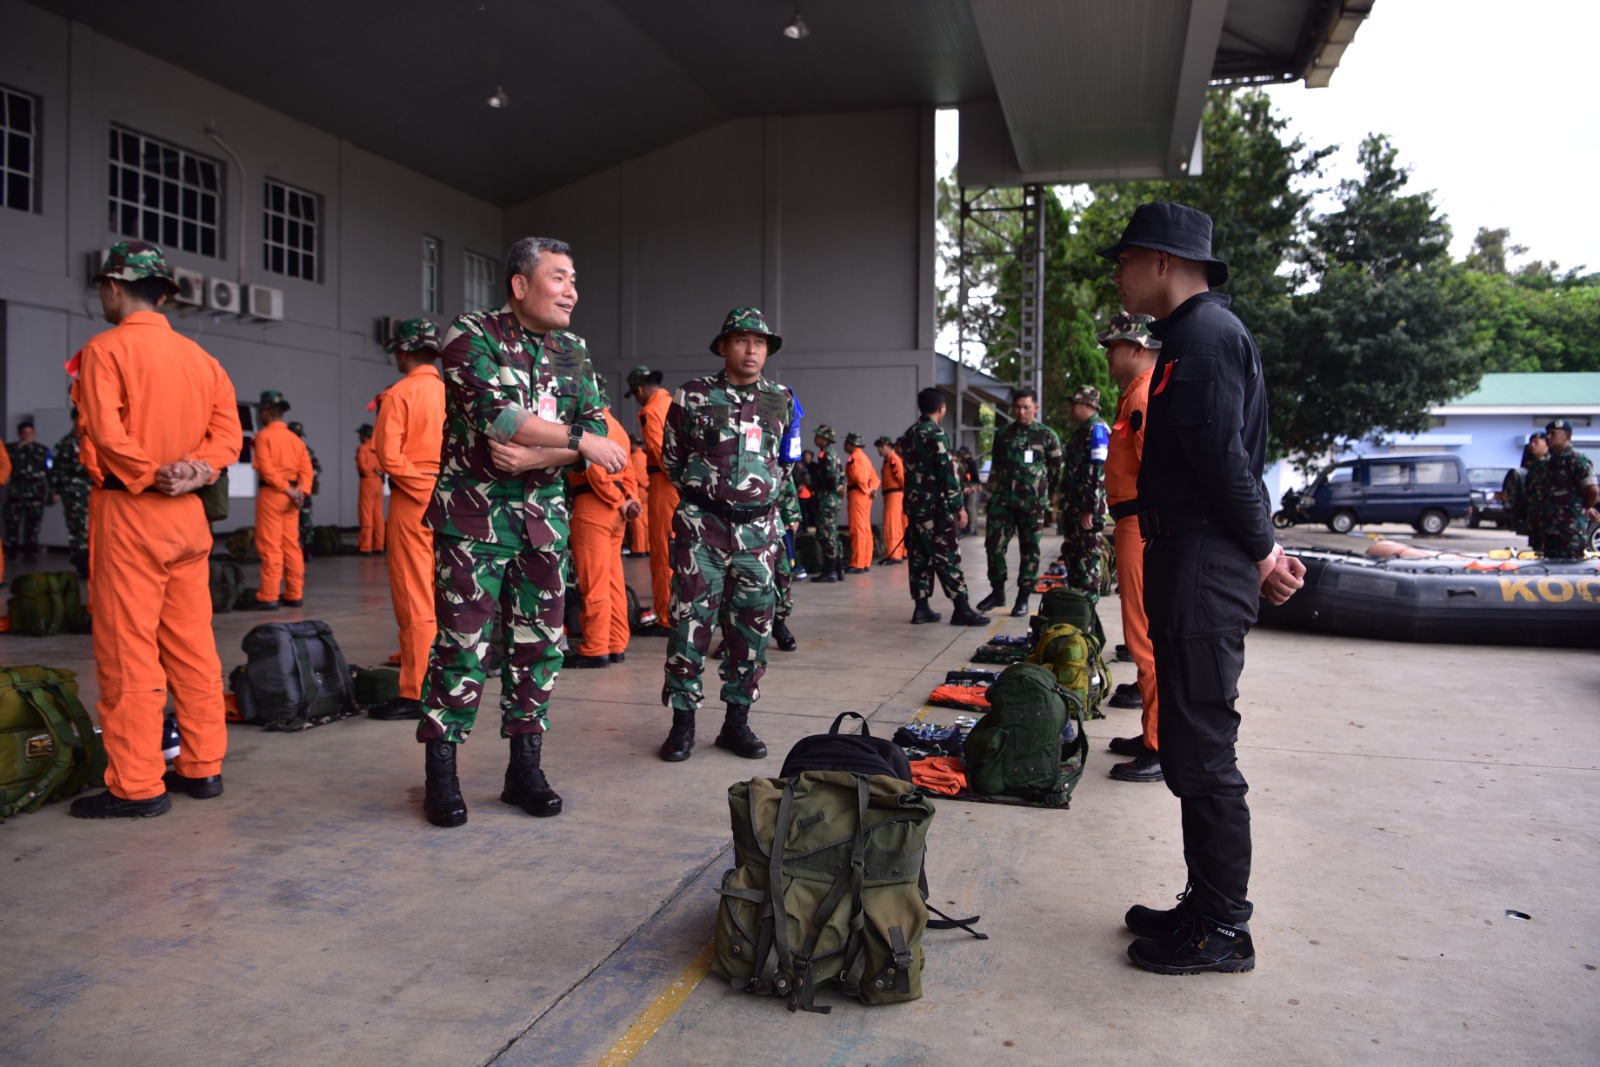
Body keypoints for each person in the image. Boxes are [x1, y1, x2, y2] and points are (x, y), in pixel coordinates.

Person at [1100, 201, 1304, 974]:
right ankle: (1204, 900)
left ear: (1161, 260)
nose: (1120, 276)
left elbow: (1225, 462)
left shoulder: (1206, 339)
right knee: (1187, 742)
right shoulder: (1188, 339)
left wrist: (1262, 551)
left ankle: (1224, 926)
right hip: (1188, 556)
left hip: (1205, 563)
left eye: (1125, 261)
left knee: (1206, 748)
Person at [414, 237, 626, 827]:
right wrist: (578, 444)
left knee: (540, 648)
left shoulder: (573, 349)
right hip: (474, 521)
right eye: (560, 278)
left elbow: (588, 423)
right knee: (461, 647)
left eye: (574, 280)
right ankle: (442, 775)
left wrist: (540, 458)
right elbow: (495, 418)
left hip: (543, 524)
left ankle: (523, 771)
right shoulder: (469, 334)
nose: (572, 292)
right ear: (520, 284)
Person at [68, 240, 243, 817]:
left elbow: (105, 433)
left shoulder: (104, 351)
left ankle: (137, 784)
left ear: (113, 286)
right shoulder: (202, 359)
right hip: (189, 519)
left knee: (129, 650)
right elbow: (228, 437)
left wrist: (151, 473)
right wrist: (197, 469)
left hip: (131, 513)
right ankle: (202, 766)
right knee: (192, 646)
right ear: (163, 292)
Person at [658, 308, 796, 763]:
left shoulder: (782, 399)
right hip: (703, 530)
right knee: (689, 625)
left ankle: (736, 723)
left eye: (760, 342)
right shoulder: (693, 394)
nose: (752, 349)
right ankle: (682, 725)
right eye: (742, 340)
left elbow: (784, 464)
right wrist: (710, 499)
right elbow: (672, 460)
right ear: (723, 346)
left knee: (751, 631)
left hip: (759, 534)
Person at [1096, 313, 1165, 783]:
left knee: (1146, 636)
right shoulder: (1133, 396)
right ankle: (1151, 732)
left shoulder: (1143, 395)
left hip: (1142, 525)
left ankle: (1161, 744)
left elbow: (1159, 474)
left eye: (1113, 345)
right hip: (1132, 525)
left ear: (1137, 347)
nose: (1107, 353)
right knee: (1140, 630)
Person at [368, 318, 445, 721]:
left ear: (403, 352)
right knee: (445, 594)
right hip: (452, 504)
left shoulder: (399, 394)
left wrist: (422, 489)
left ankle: (417, 691)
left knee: (414, 595)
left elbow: (389, 456)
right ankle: (450, 682)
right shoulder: (453, 395)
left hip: (414, 503)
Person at [898, 388, 988, 627]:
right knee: (948, 557)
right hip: (935, 508)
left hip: (915, 508)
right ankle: (961, 609)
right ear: (942, 408)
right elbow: (946, 473)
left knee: (919, 557)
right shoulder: (935, 434)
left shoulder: (909, 434)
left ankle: (921, 608)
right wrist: (959, 506)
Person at [976, 388, 1063, 617]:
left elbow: (1055, 471)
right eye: (1017, 407)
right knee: (993, 546)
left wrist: (1048, 498)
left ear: (1035, 408)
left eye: (1026, 407)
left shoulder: (1046, 435)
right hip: (1002, 501)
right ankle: (997, 591)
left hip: (1032, 505)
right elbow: (996, 467)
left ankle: (1023, 597)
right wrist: (991, 496)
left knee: (1030, 551)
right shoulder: (1003, 434)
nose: (1021, 411)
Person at [565, 404, 641, 667]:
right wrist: (629, 499)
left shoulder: (590, 424)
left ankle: (595, 648)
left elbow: (594, 470)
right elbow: (629, 470)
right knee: (613, 581)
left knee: (594, 581)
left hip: (594, 506)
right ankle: (616, 644)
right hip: (617, 512)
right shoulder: (618, 425)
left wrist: (618, 500)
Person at [249, 392, 313, 609]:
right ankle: (294, 594)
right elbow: (307, 470)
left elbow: (266, 470)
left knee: (271, 546)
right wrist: (299, 492)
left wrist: (286, 489)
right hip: (293, 499)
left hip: (273, 495)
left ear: (265, 412)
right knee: (292, 546)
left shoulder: (263, 437)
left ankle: (269, 597)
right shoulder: (296, 440)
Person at [628, 364, 677, 633]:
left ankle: (667, 617)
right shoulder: (675, 404)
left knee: (663, 551)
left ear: (638, 390)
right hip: (681, 488)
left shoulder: (651, 412)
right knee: (681, 550)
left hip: (664, 484)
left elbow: (661, 454)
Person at [1058, 385, 1109, 601]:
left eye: (1075, 403)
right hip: (1075, 507)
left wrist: (1090, 509)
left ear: (1087, 404)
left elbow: (1098, 472)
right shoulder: (1083, 430)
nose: (1072, 407)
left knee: (1088, 561)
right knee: (1074, 558)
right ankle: (1077, 610)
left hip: (1087, 510)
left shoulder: (1097, 430)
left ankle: (1087, 612)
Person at [1531, 419, 1599, 560]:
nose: (1548, 437)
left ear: (1567, 437)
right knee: (1550, 569)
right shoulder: (1550, 462)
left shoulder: (1576, 460)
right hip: (1551, 529)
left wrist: (1581, 509)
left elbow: (1592, 492)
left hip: (1570, 530)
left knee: (1570, 569)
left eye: (1553, 433)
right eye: (1548, 433)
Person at [51, 410, 94, 577]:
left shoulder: (93, 439)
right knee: (77, 529)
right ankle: (81, 564)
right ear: (74, 419)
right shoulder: (65, 444)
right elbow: (57, 471)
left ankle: (91, 563)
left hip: (94, 489)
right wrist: (55, 490)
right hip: (74, 491)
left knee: (93, 528)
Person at [4, 421, 50, 564]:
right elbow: (6, 465)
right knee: (12, 523)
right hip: (16, 492)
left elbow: (49, 471)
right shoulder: (11, 449)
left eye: (30, 433)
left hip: (35, 492)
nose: (27, 436)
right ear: (19, 434)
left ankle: (30, 552)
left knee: (33, 525)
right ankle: (12, 550)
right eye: (24, 433)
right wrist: (20, 448)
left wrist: (52, 492)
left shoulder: (42, 450)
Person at [808, 425, 844, 582]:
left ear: (824, 439)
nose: (815, 439)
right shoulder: (833, 454)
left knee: (827, 535)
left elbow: (831, 479)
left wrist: (822, 488)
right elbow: (841, 477)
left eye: (818, 436)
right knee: (833, 534)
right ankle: (838, 569)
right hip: (832, 499)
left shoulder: (826, 455)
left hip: (827, 500)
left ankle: (830, 571)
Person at [843, 431, 879, 572]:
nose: (844, 445)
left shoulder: (855, 458)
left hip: (857, 495)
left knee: (857, 529)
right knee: (865, 529)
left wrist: (866, 489)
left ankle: (857, 563)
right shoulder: (865, 458)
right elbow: (874, 478)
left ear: (852, 444)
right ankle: (865, 561)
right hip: (864, 497)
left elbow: (859, 478)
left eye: (846, 443)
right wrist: (871, 490)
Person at [1504, 431, 1547, 547]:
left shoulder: (1551, 464)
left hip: (1548, 517)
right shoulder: (1532, 466)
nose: (1532, 445)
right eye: (1531, 442)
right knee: (1536, 549)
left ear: (1546, 444)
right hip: (1533, 515)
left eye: (1536, 442)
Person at [287, 421, 321, 551]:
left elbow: (316, 469)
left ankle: (305, 548)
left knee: (298, 521)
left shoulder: (300, 449)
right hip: (300, 490)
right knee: (303, 521)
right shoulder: (306, 449)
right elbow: (317, 470)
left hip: (291, 490)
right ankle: (305, 549)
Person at [875, 436, 906, 565]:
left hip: (895, 494)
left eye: (882, 446)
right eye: (879, 447)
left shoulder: (893, 460)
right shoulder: (889, 460)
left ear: (890, 446)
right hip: (892, 494)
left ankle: (894, 555)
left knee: (892, 524)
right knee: (894, 524)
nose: (880, 449)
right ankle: (896, 553)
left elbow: (902, 478)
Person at [355, 423, 385, 555]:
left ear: (364, 435)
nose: (359, 436)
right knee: (378, 515)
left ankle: (365, 547)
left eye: (360, 434)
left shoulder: (363, 448)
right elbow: (385, 465)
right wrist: (378, 472)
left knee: (366, 513)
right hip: (379, 483)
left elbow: (362, 466)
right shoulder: (378, 448)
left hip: (367, 482)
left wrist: (370, 473)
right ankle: (379, 545)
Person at [627, 435, 650, 556]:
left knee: (638, 522)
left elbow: (634, 475)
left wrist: (644, 484)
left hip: (639, 490)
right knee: (647, 522)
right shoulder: (646, 456)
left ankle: (638, 549)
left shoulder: (633, 457)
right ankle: (647, 548)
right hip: (648, 491)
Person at [955, 445, 980, 537]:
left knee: (970, 508)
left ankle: (972, 529)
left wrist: (975, 484)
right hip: (968, 485)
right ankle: (969, 529)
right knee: (968, 507)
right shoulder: (964, 462)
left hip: (971, 485)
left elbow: (973, 475)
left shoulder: (970, 462)